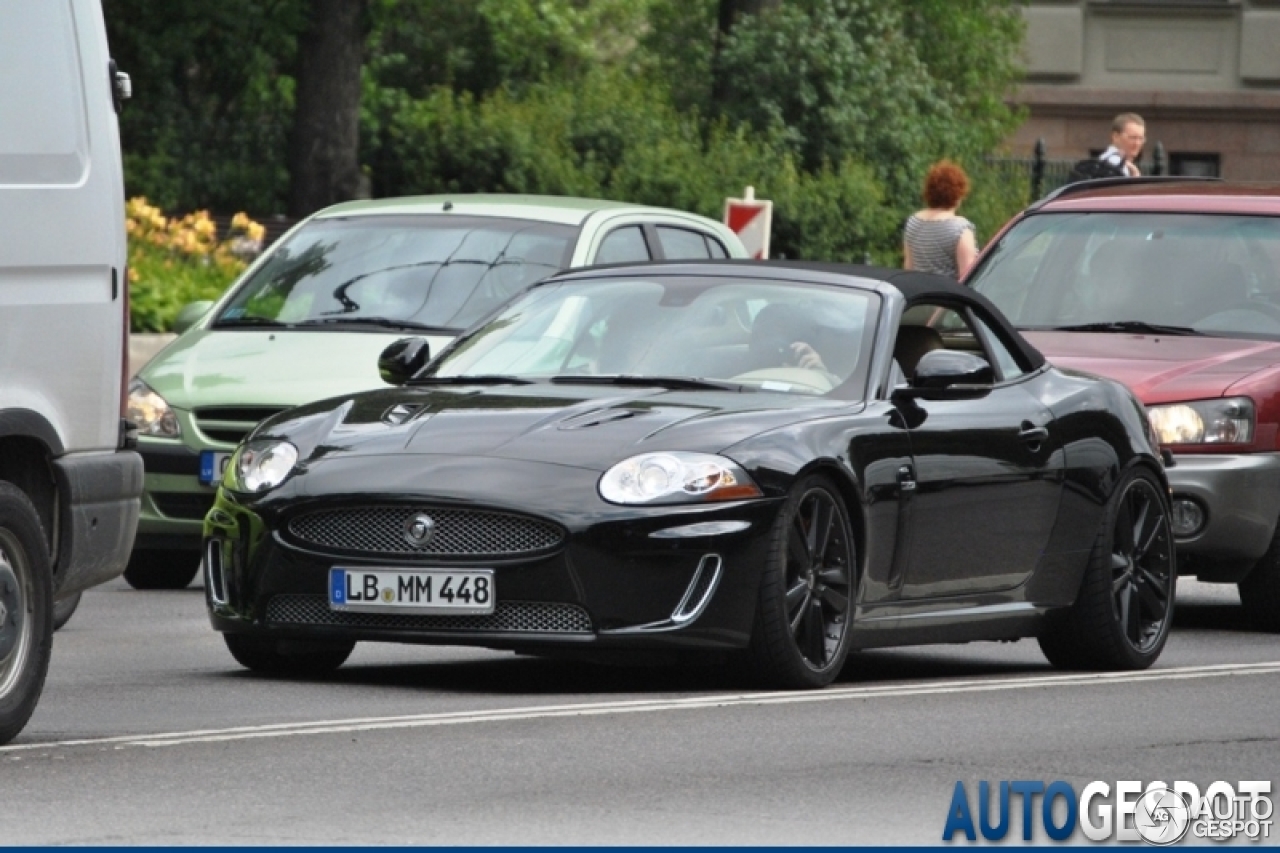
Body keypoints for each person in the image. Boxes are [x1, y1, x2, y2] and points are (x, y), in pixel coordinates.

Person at [903, 160, 979, 279]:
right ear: (958, 194)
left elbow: (908, 268)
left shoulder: (913, 222)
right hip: (946, 296)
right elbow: (968, 276)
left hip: (919, 294)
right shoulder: (959, 229)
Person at [1099, 112, 1145, 178]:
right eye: (1132, 137)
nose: (1137, 143)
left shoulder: (1105, 159)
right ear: (1116, 137)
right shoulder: (1114, 163)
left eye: (1141, 138)